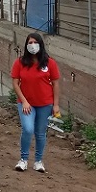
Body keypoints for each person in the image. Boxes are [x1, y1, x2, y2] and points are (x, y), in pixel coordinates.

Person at [11, 32, 61, 173]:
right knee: (27, 129)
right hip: (26, 103)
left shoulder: (50, 63)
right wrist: (24, 102)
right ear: (26, 45)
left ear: (40, 44)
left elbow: (56, 84)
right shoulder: (20, 63)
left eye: (35, 42)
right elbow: (15, 83)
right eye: (30, 43)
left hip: (45, 104)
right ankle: (23, 159)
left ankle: (38, 161)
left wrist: (56, 105)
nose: (32, 46)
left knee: (40, 133)